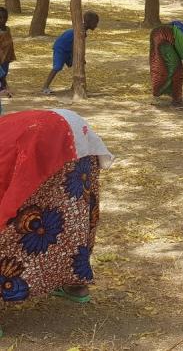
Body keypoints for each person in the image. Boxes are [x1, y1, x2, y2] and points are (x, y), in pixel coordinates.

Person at [0, 108, 114, 337]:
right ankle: (76, 285)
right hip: (75, 131)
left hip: (49, 139)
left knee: (16, 227)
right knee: (73, 214)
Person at [43, 11, 99, 94]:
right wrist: (77, 57)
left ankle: (75, 86)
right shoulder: (80, 31)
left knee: (79, 64)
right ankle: (45, 87)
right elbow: (74, 45)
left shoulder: (83, 31)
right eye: (95, 23)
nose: (96, 25)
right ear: (90, 22)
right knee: (57, 67)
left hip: (68, 50)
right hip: (61, 48)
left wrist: (80, 58)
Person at [0, 7, 16, 97]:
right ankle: (4, 88)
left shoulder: (7, 29)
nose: (3, 20)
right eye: (0, 18)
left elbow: (9, 41)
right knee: (1, 73)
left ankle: (4, 87)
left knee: (4, 72)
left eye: (5, 17)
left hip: (7, 55)